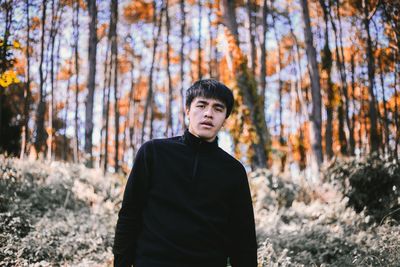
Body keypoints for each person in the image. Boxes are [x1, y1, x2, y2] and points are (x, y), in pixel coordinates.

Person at [113, 79, 258, 267]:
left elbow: (243, 239)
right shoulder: (154, 153)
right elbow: (129, 217)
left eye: (218, 108)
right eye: (202, 105)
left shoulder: (233, 171)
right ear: (188, 110)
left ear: (224, 119)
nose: (208, 113)